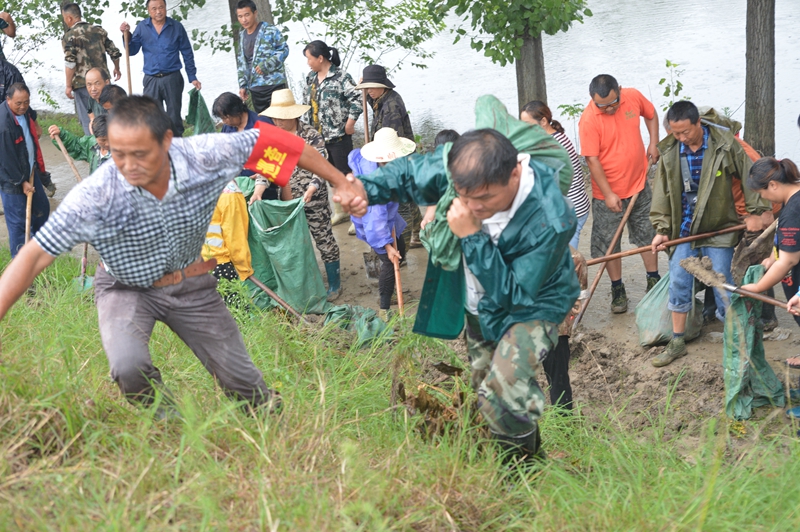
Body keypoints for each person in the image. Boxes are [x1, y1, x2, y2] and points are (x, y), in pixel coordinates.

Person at [0, 95, 366, 415]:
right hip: (124, 287)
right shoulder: (95, 196)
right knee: (129, 368)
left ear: (168, 141)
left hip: (190, 283)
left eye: (140, 154)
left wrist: (340, 181)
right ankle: (176, 426)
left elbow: (283, 144)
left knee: (244, 384)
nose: (128, 166)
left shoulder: (205, 157)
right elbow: (32, 257)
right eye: (118, 153)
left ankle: (269, 418)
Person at [349, 106, 578, 461]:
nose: (471, 207)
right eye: (463, 196)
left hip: (531, 305)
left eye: (485, 199)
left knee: (503, 392)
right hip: (478, 301)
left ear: (515, 173)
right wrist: (365, 188)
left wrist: (471, 235)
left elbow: (514, 296)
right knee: (488, 389)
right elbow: (410, 173)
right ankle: (533, 460)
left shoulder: (551, 216)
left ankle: (517, 479)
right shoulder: (459, 166)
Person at [649, 101, 768, 367]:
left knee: (724, 285)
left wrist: (756, 211)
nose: (680, 138)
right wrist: (661, 230)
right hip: (684, 231)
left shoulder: (725, 144)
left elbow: (751, 175)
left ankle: (734, 344)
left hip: (720, 229)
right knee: (678, 283)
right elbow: (662, 194)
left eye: (685, 132)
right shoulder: (670, 151)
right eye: (675, 133)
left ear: (698, 124)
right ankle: (677, 341)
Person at [579, 74, 660, 313]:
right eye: (601, 105)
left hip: (639, 183)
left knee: (648, 234)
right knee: (609, 245)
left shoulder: (633, 97)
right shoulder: (588, 120)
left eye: (612, 103)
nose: (607, 109)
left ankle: (653, 280)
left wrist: (653, 142)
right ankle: (617, 289)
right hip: (608, 194)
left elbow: (652, 114)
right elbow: (592, 160)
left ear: (620, 91)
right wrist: (609, 194)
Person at [262, 89, 342, 301]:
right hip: (287, 203)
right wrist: (259, 187)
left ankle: (335, 284)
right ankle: (306, 283)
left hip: (313, 200)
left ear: (293, 115)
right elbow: (267, 169)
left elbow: (321, 167)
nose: (277, 121)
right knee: (295, 245)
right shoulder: (273, 137)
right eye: (275, 117)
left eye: (281, 117)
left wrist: (312, 187)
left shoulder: (311, 136)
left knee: (323, 239)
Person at [741, 157, 800, 419]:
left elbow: (790, 259)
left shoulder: (792, 211)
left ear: (774, 185)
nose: (765, 199)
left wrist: (758, 286)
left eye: (763, 193)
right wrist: (772, 258)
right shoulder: (794, 201)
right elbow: (787, 250)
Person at [349, 128, 416, 319]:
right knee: (390, 260)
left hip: (387, 214)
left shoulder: (380, 163)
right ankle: (384, 308)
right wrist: (387, 246)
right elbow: (375, 221)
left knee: (400, 246)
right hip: (370, 219)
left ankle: (391, 289)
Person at [355, 65, 422, 249]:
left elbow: (391, 146)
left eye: (371, 88)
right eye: (367, 88)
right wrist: (366, 93)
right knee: (409, 200)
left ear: (383, 85)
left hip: (398, 160)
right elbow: (373, 104)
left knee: (401, 206)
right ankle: (419, 233)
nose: (369, 91)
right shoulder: (382, 98)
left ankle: (402, 249)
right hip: (399, 159)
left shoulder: (392, 106)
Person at [121, 0, 201, 137]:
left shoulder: (176, 27)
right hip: (151, 79)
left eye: (161, 8)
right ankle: (157, 147)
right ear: (148, 11)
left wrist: (192, 76)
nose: (158, 11)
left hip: (172, 78)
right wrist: (126, 35)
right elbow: (132, 50)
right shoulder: (142, 27)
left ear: (165, 8)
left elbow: (187, 52)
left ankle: (177, 146)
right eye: (154, 9)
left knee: (174, 116)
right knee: (152, 115)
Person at [302, 40, 361, 226]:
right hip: (319, 137)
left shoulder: (341, 77)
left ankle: (356, 214)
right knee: (329, 174)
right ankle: (341, 211)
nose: (307, 63)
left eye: (309, 58)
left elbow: (358, 98)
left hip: (339, 136)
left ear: (320, 58)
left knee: (345, 175)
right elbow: (308, 105)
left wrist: (350, 123)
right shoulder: (311, 78)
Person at [521, 101, 591, 249]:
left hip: (570, 209)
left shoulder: (552, 145)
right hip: (574, 205)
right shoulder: (555, 138)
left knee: (566, 256)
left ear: (544, 121)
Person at [0, 83, 50, 257]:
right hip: (11, 179)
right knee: (18, 223)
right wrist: (21, 182)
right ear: (8, 100)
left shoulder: (25, 111)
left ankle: (37, 251)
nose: (23, 107)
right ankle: (20, 264)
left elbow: (31, 113)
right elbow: (6, 160)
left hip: (29, 170)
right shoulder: (4, 126)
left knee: (42, 209)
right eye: (18, 103)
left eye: (26, 102)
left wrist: (35, 123)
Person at [212, 91, 285, 202]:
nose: (225, 122)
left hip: (263, 187)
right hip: (237, 186)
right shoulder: (228, 129)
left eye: (227, 117)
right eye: (222, 118)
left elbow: (276, 159)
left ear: (236, 111)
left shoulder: (261, 123)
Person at [61, 3, 121, 136]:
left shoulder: (69, 36)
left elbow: (70, 63)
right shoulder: (98, 31)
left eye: (64, 18)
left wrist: (68, 85)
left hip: (84, 85)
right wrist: (117, 68)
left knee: (89, 120)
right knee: (108, 117)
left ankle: (94, 150)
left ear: (69, 18)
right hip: (103, 83)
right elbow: (114, 52)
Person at [236, 0, 288, 113]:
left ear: (255, 13)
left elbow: (284, 50)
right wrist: (243, 85)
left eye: (247, 15)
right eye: (240, 16)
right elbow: (241, 63)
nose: (244, 20)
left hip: (274, 86)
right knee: (265, 126)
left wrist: (266, 65)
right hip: (255, 89)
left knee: (281, 122)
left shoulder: (269, 30)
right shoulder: (242, 36)